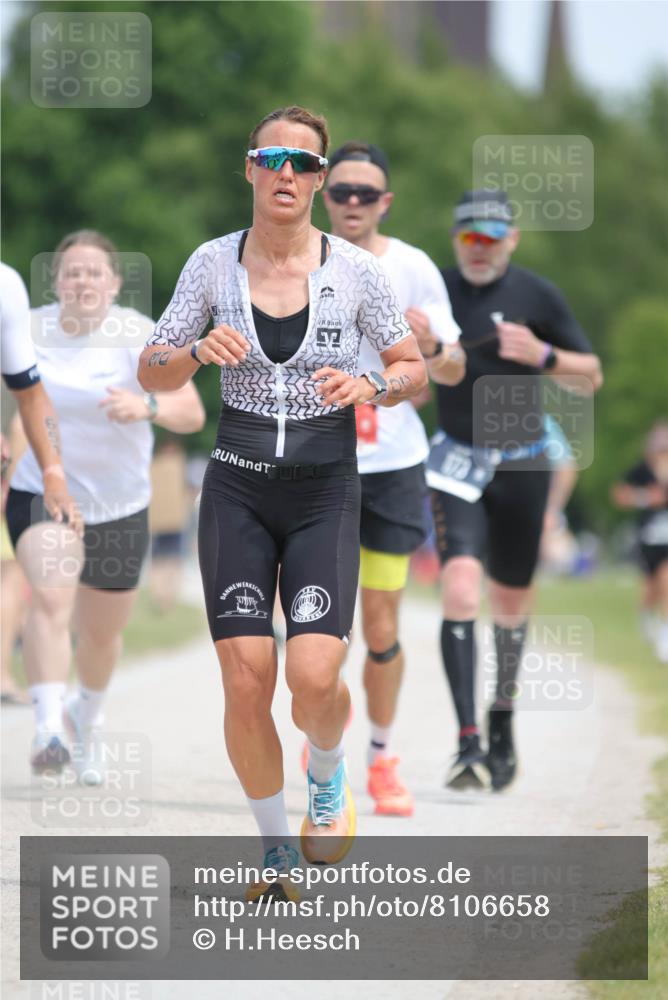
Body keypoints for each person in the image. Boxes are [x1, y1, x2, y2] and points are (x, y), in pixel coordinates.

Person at [138, 106, 426, 895]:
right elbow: (150, 367)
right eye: (273, 160)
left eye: (304, 164)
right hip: (236, 486)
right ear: (250, 169)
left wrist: (372, 384)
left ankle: (327, 772)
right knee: (244, 680)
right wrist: (194, 351)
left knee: (313, 678)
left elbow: (412, 367)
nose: (287, 174)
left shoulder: (357, 272)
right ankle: (273, 850)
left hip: (324, 491)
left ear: (321, 180)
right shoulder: (211, 264)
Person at [5, 232, 205, 781]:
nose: (83, 281)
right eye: (72, 272)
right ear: (56, 281)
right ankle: (48, 727)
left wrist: (147, 406)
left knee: (101, 634)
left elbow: (191, 412)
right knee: (51, 597)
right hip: (43, 491)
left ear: (115, 283)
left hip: (120, 503)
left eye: (95, 272)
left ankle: (86, 720)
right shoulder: (29, 329)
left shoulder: (137, 335)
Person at [427, 190, 602, 791]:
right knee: (459, 585)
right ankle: (466, 741)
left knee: (509, 602)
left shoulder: (538, 295)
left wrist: (544, 354)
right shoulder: (435, 288)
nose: (479, 248)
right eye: (469, 237)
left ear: (512, 240)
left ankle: (501, 715)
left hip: (524, 466)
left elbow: (591, 377)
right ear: (456, 239)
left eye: (491, 238)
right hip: (456, 460)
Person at [321, 141, 465, 816]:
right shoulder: (301, 258)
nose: (353, 202)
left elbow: (454, 369)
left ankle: (380, 757)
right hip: (315, 464)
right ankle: (326, 752)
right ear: (324, 194)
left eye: (366, 193)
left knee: (380, 628)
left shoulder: (412, 267)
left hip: (391, 470)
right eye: (341, 190)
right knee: (321, 632)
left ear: (386, 201)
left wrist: (430, 345)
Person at [1, 261, 82, 704]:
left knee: (15, 578)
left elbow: (30, 398)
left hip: (16, 472)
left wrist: (52, 475)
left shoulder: (6, 288)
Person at [612, 421, 668, 662]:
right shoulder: (641, 470)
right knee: (651, 588)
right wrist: (644, 498)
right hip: (649, 538)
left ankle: (665, 636)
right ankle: (646, 617)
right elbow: (619, 495)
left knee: (666, 580)